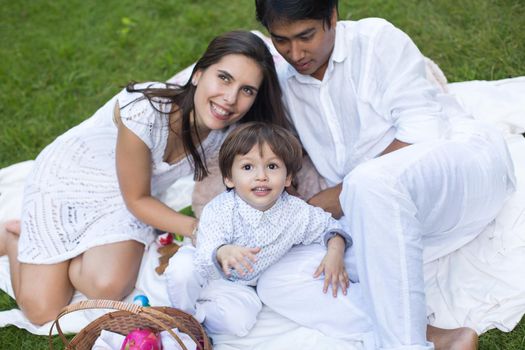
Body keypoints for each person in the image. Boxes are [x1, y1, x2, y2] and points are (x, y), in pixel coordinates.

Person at [254, 1, 516, 349]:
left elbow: (423, 132)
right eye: (281, 40)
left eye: (306, 36)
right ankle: (438, 339)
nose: (295, 52)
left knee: (368, 182)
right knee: (275, 279)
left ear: (332, 16)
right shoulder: (284, 82)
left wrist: (323, 203)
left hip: (456, 179)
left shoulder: (376, 40)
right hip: (386, 224)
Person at [0, 30, 289, 325]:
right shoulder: (146, 110)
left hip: (129, 194)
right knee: (42, 311)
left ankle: (65, 247)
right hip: (74, 177)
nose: (230, 98)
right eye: (224, 78)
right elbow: (137, 199)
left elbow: (212, 197)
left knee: (108, 286)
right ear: (198, 74)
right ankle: (15, 237)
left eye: (247, 90)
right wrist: (196, 228)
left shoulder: (224, 137)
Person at [165, 122, 353, 337]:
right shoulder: (221, 209)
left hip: (240, 286)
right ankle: (182, 317)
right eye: (247, 167)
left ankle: (199, 318)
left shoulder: (296, 212)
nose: (261, 176)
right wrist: (222, 251)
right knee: (182, 269)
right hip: (206, 271)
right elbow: (208, 244)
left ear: (288, 177)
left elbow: (330, 226)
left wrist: (335, 253)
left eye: (272, 166)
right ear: (229, 178)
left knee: (239, 323)